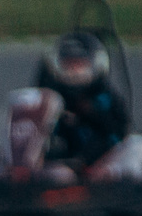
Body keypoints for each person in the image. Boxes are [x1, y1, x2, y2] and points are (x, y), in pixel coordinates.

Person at [33, 29, 132, 168]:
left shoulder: (103, 97)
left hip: (98, 161)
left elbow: (118, 131)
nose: (74, 72)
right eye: (69, 65)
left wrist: (89, 114)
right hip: (59, 157)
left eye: (79, 65)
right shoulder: (52, 95)